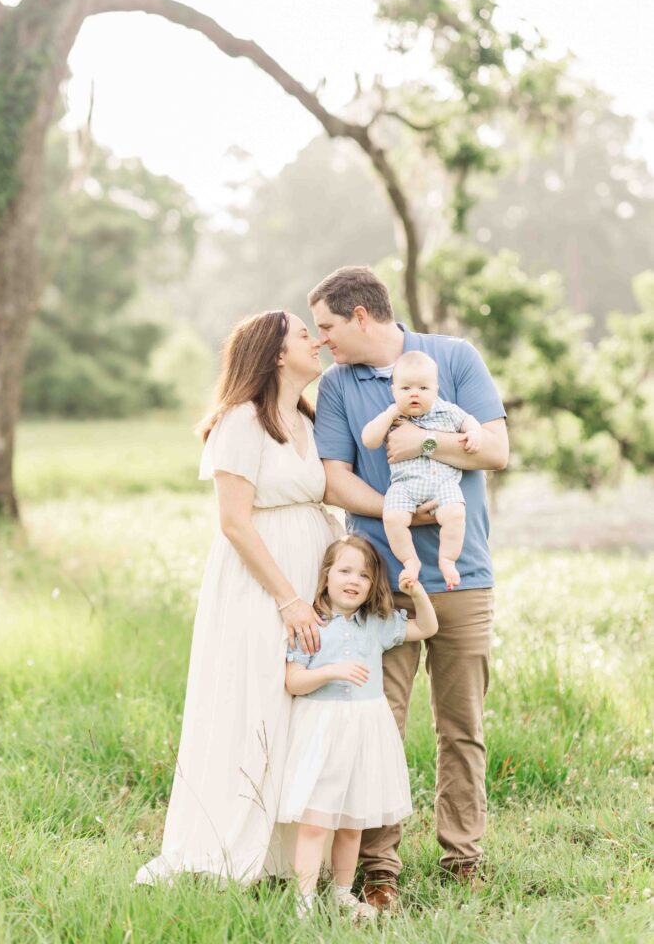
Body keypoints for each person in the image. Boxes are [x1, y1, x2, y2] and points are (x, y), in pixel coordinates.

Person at [309, 266, 508, 909]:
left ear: (361, 316)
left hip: (462, 575)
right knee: (374, 724)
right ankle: (377, 869)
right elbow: (334, 480)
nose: (323, 341)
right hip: (377, 584)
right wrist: (405, 511)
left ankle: (463, 859)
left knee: (461, 725)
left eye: (329, 327)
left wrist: (426, 440)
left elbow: (495, 449)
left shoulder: (453, 358)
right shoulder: (338, 385)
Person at [135, 311, 341, 886]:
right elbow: (234, 522)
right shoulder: (241, 422)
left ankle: (288, 857)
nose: (317, 341)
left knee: (299, 708)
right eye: (305, 334)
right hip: (261, 581)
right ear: (276, 353)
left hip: (309, 572)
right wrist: (288, 599)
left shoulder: (308, 418)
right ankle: (228, 847)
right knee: (255, 697)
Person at [278, 535, 437, 920]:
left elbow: (428, 627)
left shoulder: (377, 624)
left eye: (364, 575)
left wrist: (417, 593)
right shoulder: (311, 624)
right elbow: (293, 681)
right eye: (345, 570)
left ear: (372, 585)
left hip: (366, 730)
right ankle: (304, 899)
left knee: (352, 822)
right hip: (323, 729)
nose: (354, 580)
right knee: (316, 821)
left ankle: (342, 892)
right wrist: (331, 670)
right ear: (327, 575)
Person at [361, 351, 482, 591]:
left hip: (442, 483)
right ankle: (410, 560)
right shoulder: (393, 416)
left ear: (436, 390)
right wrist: (388, 415)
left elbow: (469, 421)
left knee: (456, 514)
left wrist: (474, 432)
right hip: (405, 485)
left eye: (423, 388)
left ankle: (447, 560)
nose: (414, 393)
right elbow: (369, 440)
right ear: (394, 391)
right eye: (406, 389)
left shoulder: (447, 411)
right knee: (393, 518)